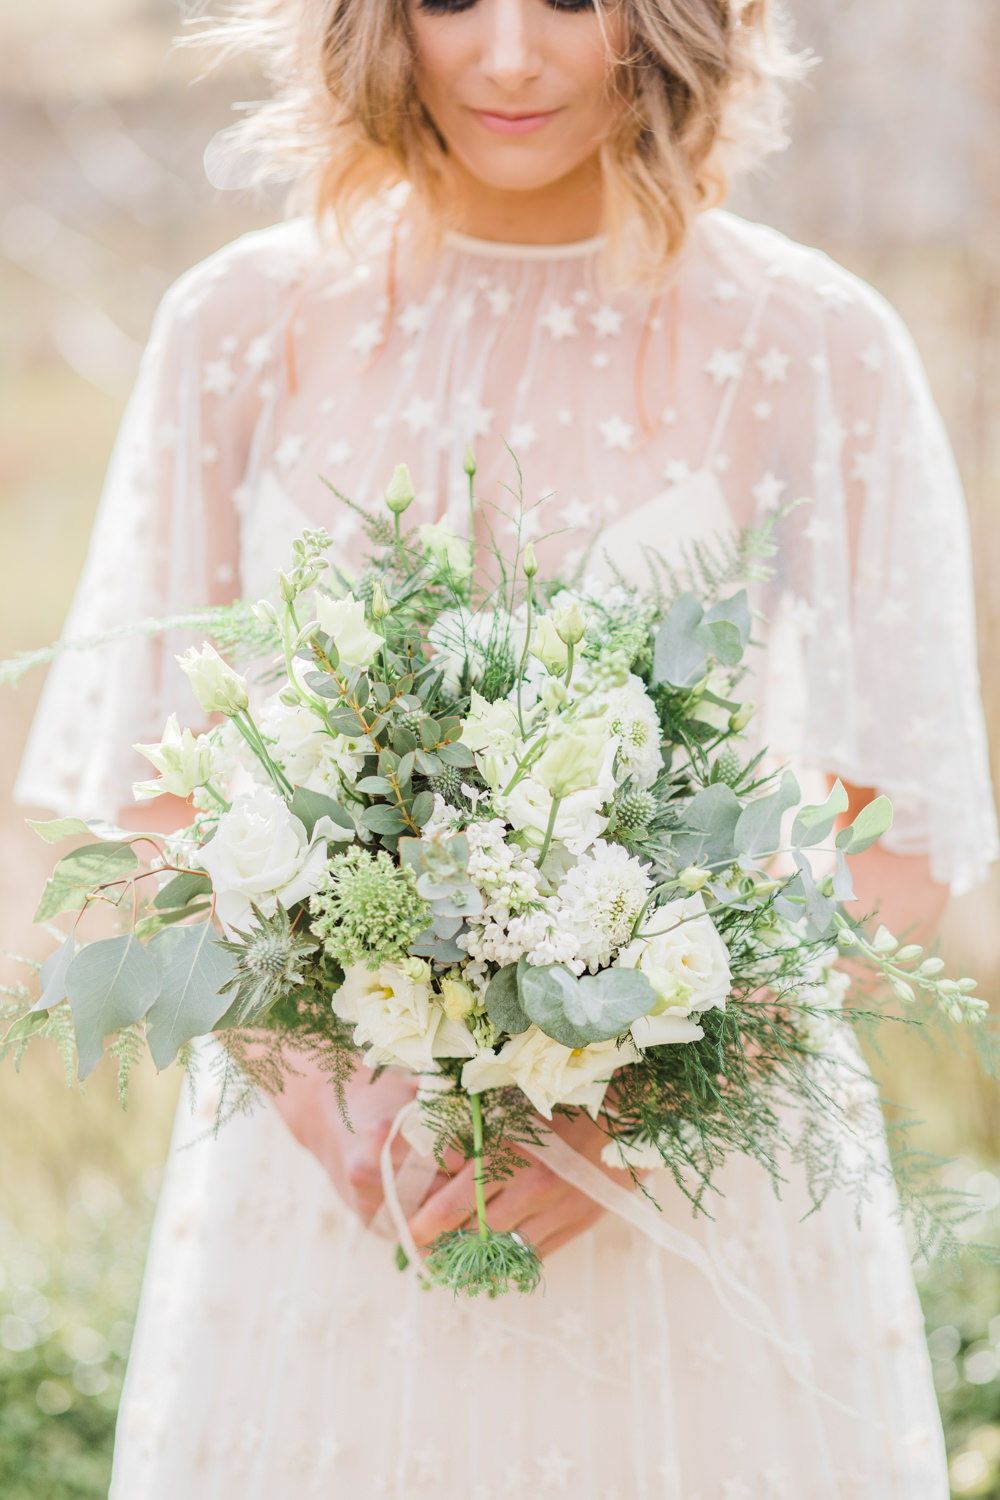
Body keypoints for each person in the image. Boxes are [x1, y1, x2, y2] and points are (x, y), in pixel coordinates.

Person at [14, 1, 998, 1495]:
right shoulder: (240, 326)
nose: (513, 55)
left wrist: (630, 1122)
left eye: (576, 0)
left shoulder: (814, 342)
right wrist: (315, 1089)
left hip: (700, 1194)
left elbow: (900, 834)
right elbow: (148, 797)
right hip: (326, 1189)